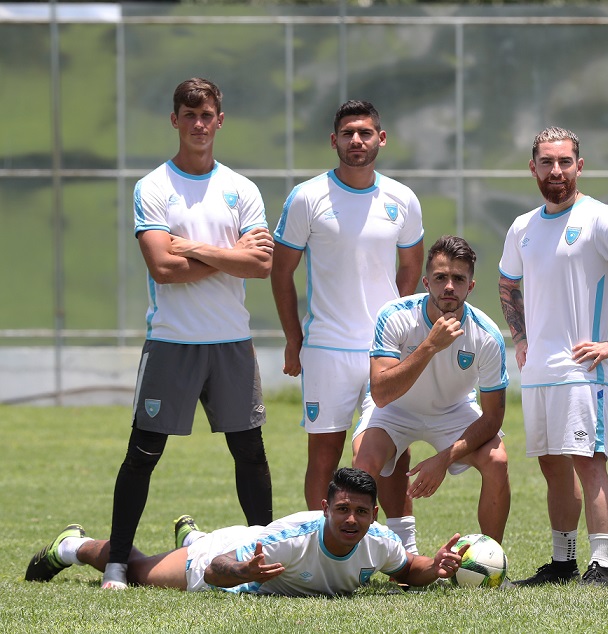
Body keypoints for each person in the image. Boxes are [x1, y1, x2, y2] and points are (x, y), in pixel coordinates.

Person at [103, 77, 275, 590]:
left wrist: (192, 248)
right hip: (173, 343)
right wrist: (229, 257)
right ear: (175, 119)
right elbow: (161, 268)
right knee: (142, 455)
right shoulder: (154, 186)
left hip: (230, 342)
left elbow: (261, 266)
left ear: (220, 121)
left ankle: (264, 555)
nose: (199, 124)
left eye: (208, 115)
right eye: (190, 114)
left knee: (250, 453)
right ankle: (115, 562)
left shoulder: (241, 188)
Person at [498, 126, 608, 586]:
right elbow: (508, 283)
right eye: (547, 162)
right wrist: (520, 335)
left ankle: (601, 565)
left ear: (579, 166)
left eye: (565, 162)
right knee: (552, 465)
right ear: (533, 167)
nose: (556, 171)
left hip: (583, 369)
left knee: (589, 462)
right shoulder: (522, 226)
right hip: (538, 370)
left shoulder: (601, 218)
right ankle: (563, 560)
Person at [271, 100, 424, 544]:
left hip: (384, 352)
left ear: (381, 138)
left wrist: (402, 334)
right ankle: (317, 549)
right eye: (347, 133)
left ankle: (402, 549)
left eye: (365, 132)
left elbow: (410, 269)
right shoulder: (307, 197)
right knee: (323, 456)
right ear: (333, 140)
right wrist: (293, 339)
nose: (356, 140)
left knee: (391, 451)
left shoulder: (402, 199)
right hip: (325, 349)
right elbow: (282, 273)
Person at [26, 468, 467, 596]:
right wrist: (243, 570)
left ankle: (193, 536)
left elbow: (409, 568)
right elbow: (218, 571)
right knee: (140, 570)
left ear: (374, 514)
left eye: (361, 512)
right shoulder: (290, 539)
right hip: (231, 555)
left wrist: (438, 566)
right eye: (342, 509)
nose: (351, 520)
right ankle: (72, 545)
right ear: (325, 508)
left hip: (244, 547)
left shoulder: (379, 542)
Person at [352, 235, 511, 544]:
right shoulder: (395, 315)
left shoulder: (487, 335)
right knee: (364, 464)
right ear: (426, 282)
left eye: (458, 278)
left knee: (498, 460)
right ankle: (365, 557)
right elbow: (381, 393)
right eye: (440, 278)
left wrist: (444, 459)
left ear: (470, 286)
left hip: (453, 409)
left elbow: (493, 419)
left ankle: (491, 560)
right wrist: (429, 346)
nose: (448, 286)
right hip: (394, 409)